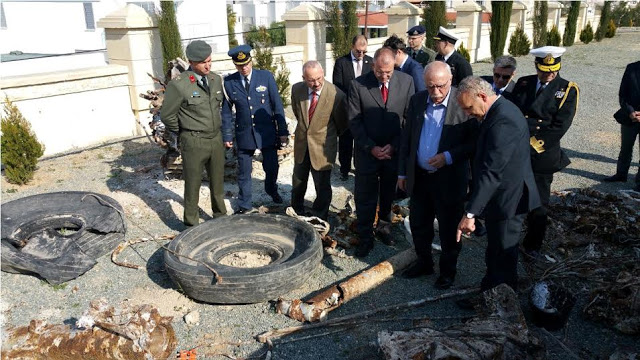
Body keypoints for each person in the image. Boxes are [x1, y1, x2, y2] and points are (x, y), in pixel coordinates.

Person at [455, 76, 540, 293]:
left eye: (469, 107)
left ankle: (503, 306)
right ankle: (489, 295)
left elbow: (492, 172)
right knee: (494, 251)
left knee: (503, 254)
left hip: (509, 199)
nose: (468, 113)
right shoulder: (497, 111)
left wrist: (470, 214)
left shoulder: (504, 120)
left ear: (482, 96)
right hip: (500, 198)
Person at [397, 62, 477, 289]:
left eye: (441, 86)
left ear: (450, 81)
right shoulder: (417, 100)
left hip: (449, 180)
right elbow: (408, 139)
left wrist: (449, 156)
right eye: (431, 87)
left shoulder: (463, 105)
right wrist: (403, 172)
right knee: (420, 224)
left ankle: (447, 271)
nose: (436, 93)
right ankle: (424, 262)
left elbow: (474, 142)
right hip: (421, 177)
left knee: (449, 228)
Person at [507, 46, 579, 258]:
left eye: (552, 70)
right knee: (513, 195)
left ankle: (533, 244)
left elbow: (560, 126)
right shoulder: (524, 83)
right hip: (517, 149)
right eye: (544, 69)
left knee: (538, 203)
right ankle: (510, 237)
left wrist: (533, 144)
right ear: (536, 66)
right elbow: (514, 113)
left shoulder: (567, 90)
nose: (548, 74)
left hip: (542, 153)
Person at [348, 47, 415, 257]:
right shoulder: (357, 85)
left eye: (388, 72)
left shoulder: (406, 82)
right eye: (379, 72)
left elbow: (408, 119)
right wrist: (371, 147)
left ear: (394, 66)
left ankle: (384, 227)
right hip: (368, 153)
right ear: (372, 65)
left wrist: (394, 145)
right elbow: (354, 121)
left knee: (388, 194)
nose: (384, 76)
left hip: (393, 153)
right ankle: (365, 236)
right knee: (365, 196)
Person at [161, 40, 228, 226]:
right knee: (193, 184)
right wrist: (183, 131)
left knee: (217, 182)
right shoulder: (180, 85)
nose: (208, 65)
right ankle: (191, 223)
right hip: (193, 141)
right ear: (191, 62)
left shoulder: (215, 80)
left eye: (209, 60)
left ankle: (220, 217)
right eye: (203, 62)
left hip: (215, 138)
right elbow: (167, 115)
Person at [222, 45, 289, 214]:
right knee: (244, 172)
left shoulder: (265, 77)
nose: (244, 68)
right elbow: (226, 112)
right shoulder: (229, 83)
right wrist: (227, 135)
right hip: (244, 133)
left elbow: (277, 106)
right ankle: (244, 204)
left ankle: (271, 189)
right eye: (239, 65)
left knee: (272, 167)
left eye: (246, 64)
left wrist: (282, 132)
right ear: (235, 65)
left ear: (251, 61)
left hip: (266, 132)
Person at [290, 61, 348, 220]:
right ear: (303, 78)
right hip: (302, 145)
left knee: (322, 186)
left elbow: (342, 124)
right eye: (311, 80)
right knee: (298, 182)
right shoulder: (297, 89)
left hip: (323, 148)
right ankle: (296, 211)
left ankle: (320, 216)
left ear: (323, 74)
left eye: (319, 78)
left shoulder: (336, 94)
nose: (316, 83)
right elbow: (297, 113)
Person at [333, 35, 373, 181]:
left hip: (364, 110)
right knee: (345, 141)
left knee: (361, 140)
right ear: (352, 47)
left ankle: (358, 166)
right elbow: (338, 86)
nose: (361, 54)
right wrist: (352, 102)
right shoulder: (341, 62)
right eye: (358, 51)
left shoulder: (371, 62)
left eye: (364, 51)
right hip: (347, 108)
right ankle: (344, 169)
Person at [603, 60, 640, 192]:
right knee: (625, 148)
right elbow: (622, 94)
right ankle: (621, 174)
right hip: (630, 117)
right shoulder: (632, 68)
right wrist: (630, 112)